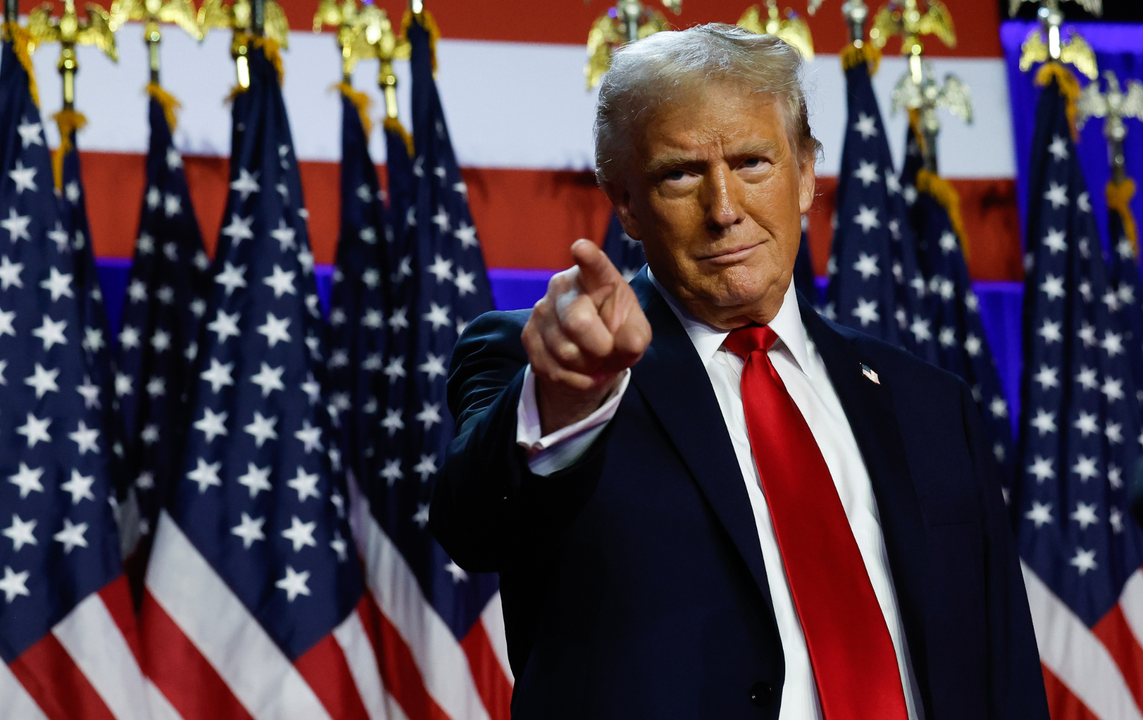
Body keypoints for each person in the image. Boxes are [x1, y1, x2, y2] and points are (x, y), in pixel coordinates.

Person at [431, 24, 1049, 720]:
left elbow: (1002, 669)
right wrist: (569, 400)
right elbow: (476, 527)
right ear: (626, 202)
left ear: (807, 172)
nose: (725, 210)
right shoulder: (547, 366)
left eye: (754, 162)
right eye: (681, 174)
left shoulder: (929, 404)